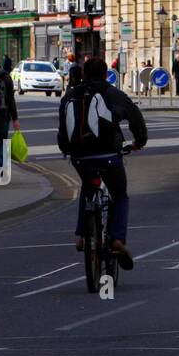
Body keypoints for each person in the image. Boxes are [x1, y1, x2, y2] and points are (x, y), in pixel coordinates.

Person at [57, 56, 148, 269]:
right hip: (108, 154)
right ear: (107, 74)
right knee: (119, 195)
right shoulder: (113, 94)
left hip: (79, 157)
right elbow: (136, 119)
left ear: (84, 74)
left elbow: (63, 129)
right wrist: (138, 142)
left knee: (88, 187)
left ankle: (81, 235)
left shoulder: (69, 96)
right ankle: (117, 239)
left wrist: (68, 150)